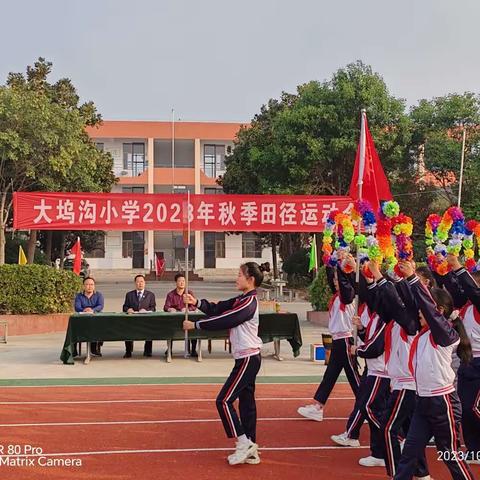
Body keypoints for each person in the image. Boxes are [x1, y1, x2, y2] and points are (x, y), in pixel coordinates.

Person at [393, 260, 475, 480]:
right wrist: (399, 278)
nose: (419, 314)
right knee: (409, 453)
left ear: (438, 312)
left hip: (443, 403)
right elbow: (410, 303)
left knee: (450, 455)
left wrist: (413, 279)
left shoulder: (445, 335)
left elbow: (427, 308)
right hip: (423, 401)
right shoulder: (423, 335)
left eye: (425, 311)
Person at [183, 262, 266, 466]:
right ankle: (251, 447)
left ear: (250, 280)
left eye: (239, 275)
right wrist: (197, 303)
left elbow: (227, 319)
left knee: (224, 401)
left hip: (248, 358)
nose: (236, 278)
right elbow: (220, 308)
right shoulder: (241, 299)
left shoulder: (249, 303)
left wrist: (196, 325)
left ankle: (244, 443)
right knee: (247, 405)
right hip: (245, 357)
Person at [297, 251, 361, 422]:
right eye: (334, 280)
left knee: (354, 377)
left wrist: (343, 265)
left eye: (338, 280)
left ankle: (367, 406)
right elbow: (331, 275)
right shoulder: (337, 296)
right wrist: (329, 259)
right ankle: (318, 406)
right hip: (337, 340)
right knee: (330, 375)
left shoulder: (348, 296)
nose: (335, 282)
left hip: (346, 340)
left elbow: (344, 281)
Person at [163, 273, 198, 357]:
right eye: (180, 281)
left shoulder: (189, 293)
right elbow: (166, 306)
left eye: (183, 281)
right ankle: (169, 349)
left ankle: (193, 350)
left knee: (193, 328)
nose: (182, 283)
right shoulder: (171, 294)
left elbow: (194, 306)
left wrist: (187, 309)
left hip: (187, 318)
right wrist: (170, 309)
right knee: (169, 329)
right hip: (174, 320)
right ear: (176, 282)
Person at [122, 274, 156, 358]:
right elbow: (125, 307)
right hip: (132, 320)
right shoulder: (129, 295)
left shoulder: (150, 295)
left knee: (149, 330)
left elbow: (153, 308)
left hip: (146, 320)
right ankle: (128, 351)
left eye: (142, 282)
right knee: (127, 330)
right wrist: (128, 310)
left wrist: (147, 311)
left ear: (145, 283)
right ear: (135, 283)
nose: (140, 284)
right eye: (138, 282)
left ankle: (148, 351)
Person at [74, 277, 104, 356]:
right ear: (83, 286)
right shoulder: (79, 296)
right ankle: (73, 350)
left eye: (91, 284)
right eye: (87, 284)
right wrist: (85, 310)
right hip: (82, 320)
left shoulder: (98, 295)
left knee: (100, 327)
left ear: (94, 286)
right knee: (73, 328)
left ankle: (94, 349)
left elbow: (100, 306)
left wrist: (92, 310)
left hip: (95, 319)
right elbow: (77, 307)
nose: (89, 286)